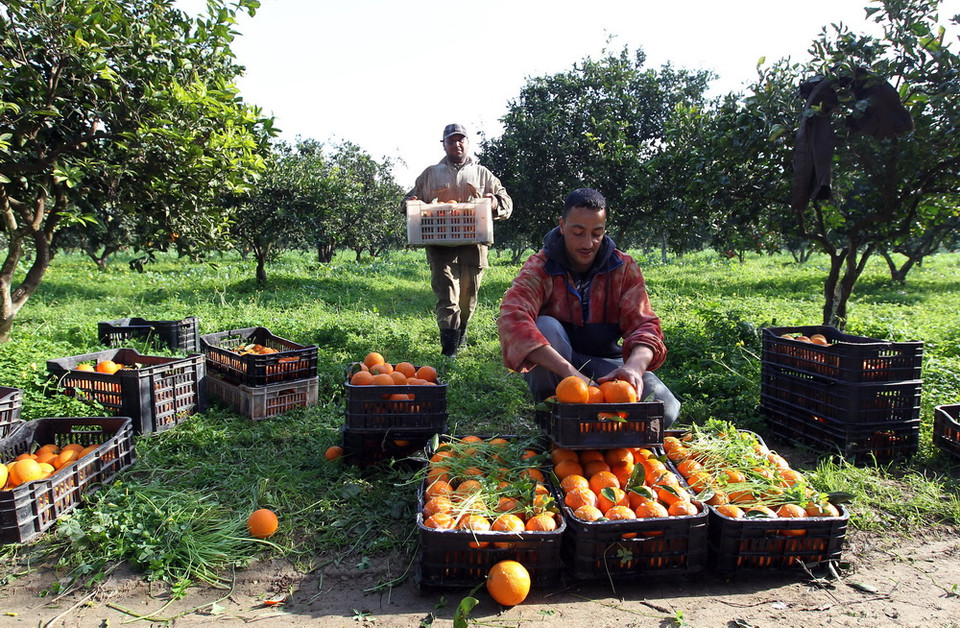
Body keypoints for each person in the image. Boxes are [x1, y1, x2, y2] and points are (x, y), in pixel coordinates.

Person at [496, 187, 680, 427]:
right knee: (545, 326)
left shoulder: (623, 269)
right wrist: (570, 373)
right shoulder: (540, 268)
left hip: (605, 365)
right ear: (562, 226)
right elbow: (512, 318)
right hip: (558, 367)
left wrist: (633, 369)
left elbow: (645, 326)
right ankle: (555, 419)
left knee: (665, 408)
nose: (588, 243)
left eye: (597, 233)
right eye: (578, 232)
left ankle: (606, 437)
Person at [403, 123, 513, 357]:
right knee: (447, 296)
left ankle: (461, 333)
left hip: (473, 246)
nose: (456, 144)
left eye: (460, 139)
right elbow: (408, 201)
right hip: (440, 245)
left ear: (467, 142)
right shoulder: (431, 173)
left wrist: (494, 203)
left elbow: (506, 201)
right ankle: (449, 349)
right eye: (451, 140)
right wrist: (409, 203)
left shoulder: (482, 173)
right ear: (443, 144)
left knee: (468, 298)